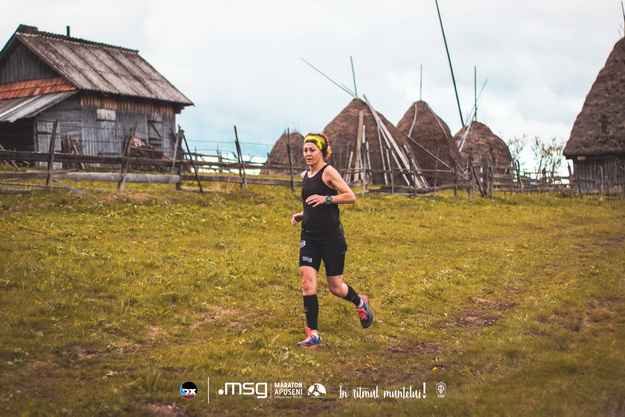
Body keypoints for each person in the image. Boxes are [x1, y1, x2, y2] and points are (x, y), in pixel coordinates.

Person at [291, 133, 373, 349]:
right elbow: (312, 203)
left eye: (312, 150)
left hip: (331, 238)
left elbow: (350, 196)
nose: (308, 154)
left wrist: (327, 198)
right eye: (305, 150)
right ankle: (314, 335)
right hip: (309, 237)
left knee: (336, 287)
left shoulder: (329, 172)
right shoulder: (305, 175)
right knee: (308, 283)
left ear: (322, 152)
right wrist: (302, 214)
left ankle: (360, 302)